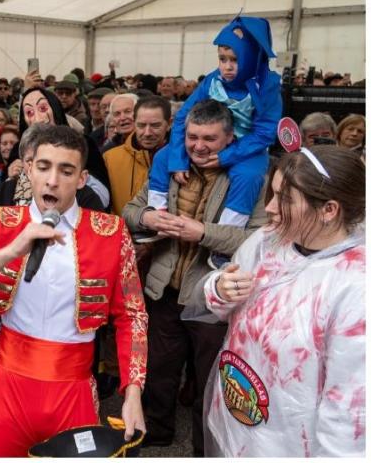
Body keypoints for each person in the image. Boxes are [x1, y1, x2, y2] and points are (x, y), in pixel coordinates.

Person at [0, 123, 148, 458]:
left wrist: (133, 394)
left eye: (66, 171)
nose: (53, 181)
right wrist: (10, 250)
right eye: (44, 167)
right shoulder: (2, 222)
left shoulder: (110, 232)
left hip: (74, 391)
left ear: (81, 179)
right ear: (29, 171)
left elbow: (132, 317)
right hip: (8, 386)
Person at [196, 146, 364, 457]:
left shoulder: (355, 287)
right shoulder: (267, 242)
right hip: (234, 424)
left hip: (288, 446)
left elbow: (350, 415)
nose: (270, 208)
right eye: (271, 194)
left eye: (284, 198)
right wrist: (220, 287)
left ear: (329, 210)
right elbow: (220, 304)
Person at [120, 100, 264, 454]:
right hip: (164, 289)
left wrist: (202, 232)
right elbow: (131, 211)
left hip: (212, 299)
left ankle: (205, 448)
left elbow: (258, 239)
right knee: (160, 369)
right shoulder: (171, 165)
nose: (199, 146)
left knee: (209, 380)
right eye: (193, 137)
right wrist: (148, 219)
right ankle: (156, 432)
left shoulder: (247, 176)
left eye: (210, 139)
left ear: (230, 138)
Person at [148, 16, 279, 227]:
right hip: (209, 139)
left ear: (253, 58)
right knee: (163, 156)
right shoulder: (213, 80)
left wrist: (227, 156)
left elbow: (265, 132)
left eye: (235, 60)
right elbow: (183, 116)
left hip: (247, 148)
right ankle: (157, 215)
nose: (227, 67)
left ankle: (226, 233)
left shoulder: (267, 88)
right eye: (222, 59)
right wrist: (178, 158)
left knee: (249, 176)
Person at [105, 95, 169, 217]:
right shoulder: (110, 158)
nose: (147, 133)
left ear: (169, 123)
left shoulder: (182, 158)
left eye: (155, 125)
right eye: (141, 125)